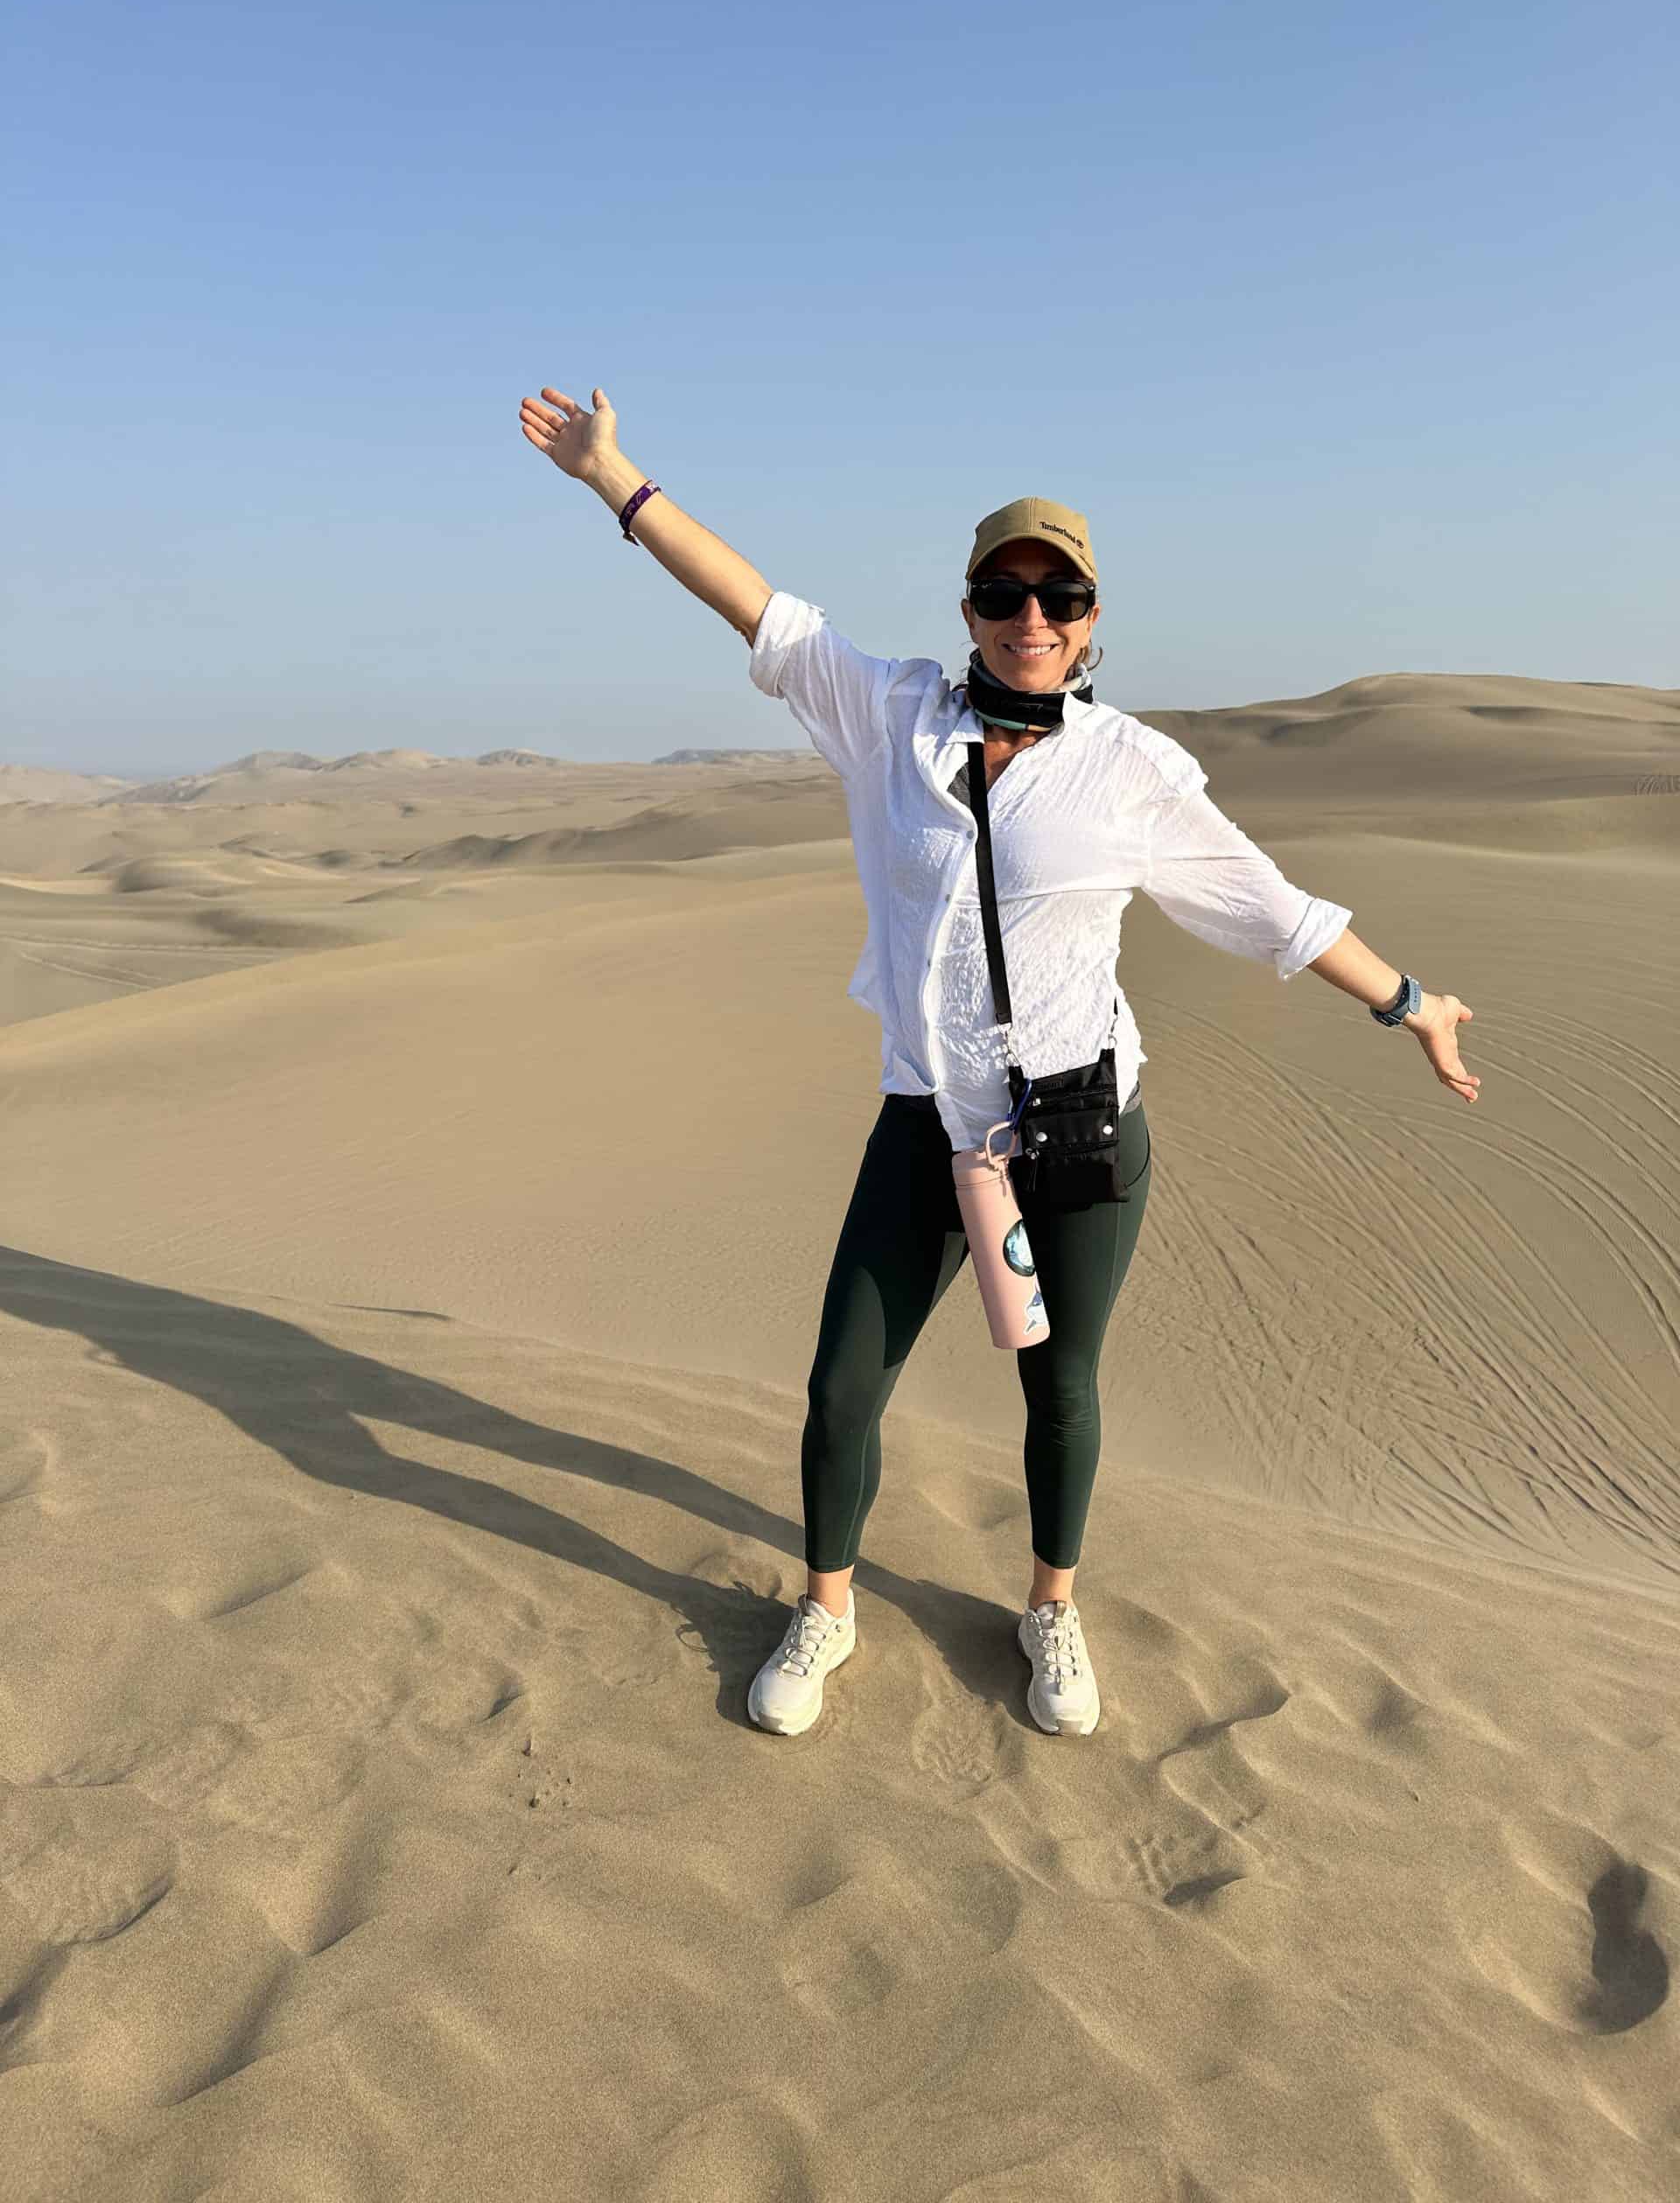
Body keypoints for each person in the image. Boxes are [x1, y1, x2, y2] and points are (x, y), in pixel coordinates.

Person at [518, 384, 1482, 1741]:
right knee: (845, 1380)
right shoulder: (887, 716)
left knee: (1062, 1383)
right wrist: (616, 480)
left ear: (1094, 619)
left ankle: (1050, 1610)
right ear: (967, 608)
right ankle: (829, 1610)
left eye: (1061, 597)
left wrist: (1413, 1005)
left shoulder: (1133, 771)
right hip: (930, 1126)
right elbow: (759, 606)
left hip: (1081, 1131)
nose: (1033, 620)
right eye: (1004, 593)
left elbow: (1275, 909)